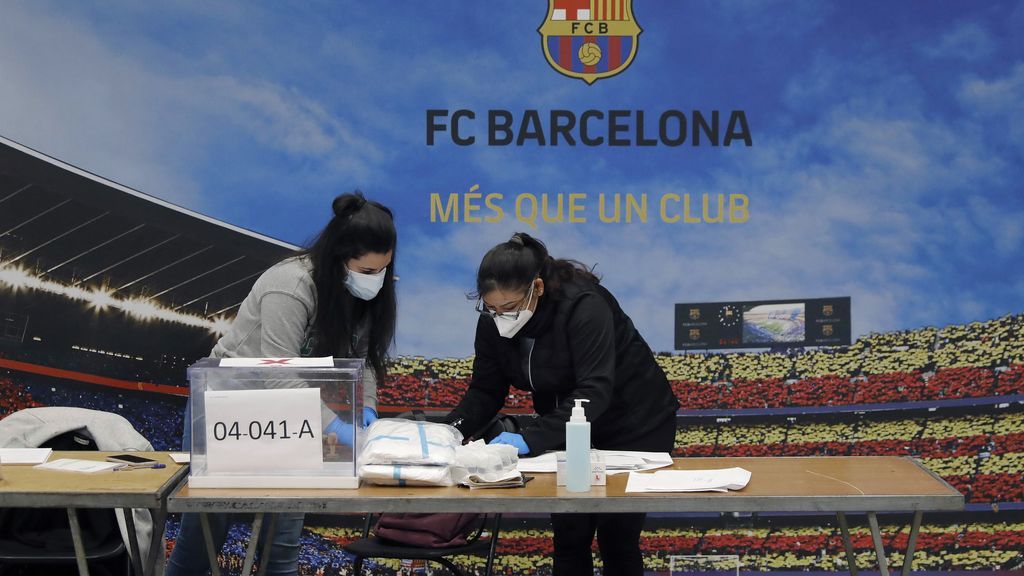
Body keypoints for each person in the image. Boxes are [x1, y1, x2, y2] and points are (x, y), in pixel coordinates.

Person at [166, 192, 397, 576]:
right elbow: (277, 374)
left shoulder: (362, 295)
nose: (376, 280)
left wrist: (366, 407)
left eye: (384, 269)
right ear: (339, 258)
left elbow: (363, 359)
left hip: (295, 410)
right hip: (231, 403)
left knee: (284, 540)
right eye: (368, 271)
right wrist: (336, 426)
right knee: (204, 536)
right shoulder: (290, 285)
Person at [445, 232, 680, 576]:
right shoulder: (492, 322)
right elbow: (485, 391)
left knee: (617, 537)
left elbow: (594, 389)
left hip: (634, 424)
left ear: (537, 288)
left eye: (509, 308)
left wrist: (530, 437)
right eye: (491, 308)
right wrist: (449, 432)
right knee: (569, 537)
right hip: (566, 428)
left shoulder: (584, 306)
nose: (500, 317)